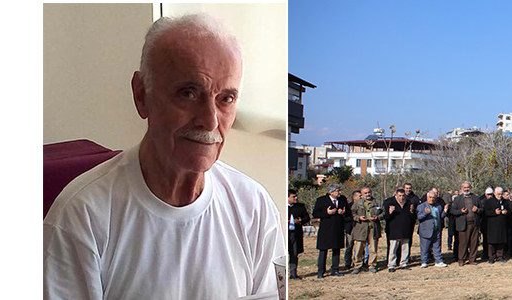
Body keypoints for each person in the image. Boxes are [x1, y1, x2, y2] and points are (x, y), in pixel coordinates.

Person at [43, 14, 284, 299]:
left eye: (226, 99)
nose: (209, 121)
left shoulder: (254, 207)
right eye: (189, 93)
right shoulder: (82, 215)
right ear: (141, 95)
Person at [314, 184, 348, 278]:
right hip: (326, 229)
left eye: (340, 190)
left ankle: (335, 270)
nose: (340, 192)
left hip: (338, 228)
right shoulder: (321, 200)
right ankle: (321, 271)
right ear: (331, 192)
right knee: (323, 251)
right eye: (338, 190)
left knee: (336, 250)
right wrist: (327, 213)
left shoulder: (342, 199)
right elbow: (315, 213)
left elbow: (348, 212)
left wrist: (343, 212)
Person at [350, 187, 382, 274]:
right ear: (362, 194)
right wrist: (358, 218)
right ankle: (357, 266)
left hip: (373, 228)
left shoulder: (377, 202)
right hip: (360, 228)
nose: (367, 194)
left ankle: (372, 265)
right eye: (365, 193)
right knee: (359, 248)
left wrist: (377, 217)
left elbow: (384, 213)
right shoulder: (358, 203)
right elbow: (352, 214)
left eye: (369, 192)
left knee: (373, 248)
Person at [448, 182, 481, 266]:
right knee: (463, 243)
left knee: (474, 242)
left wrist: (477, 210)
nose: (466, 189)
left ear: (471, 187)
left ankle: (472, 259)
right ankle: (461, 259)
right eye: (465, 187)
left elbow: (482, 209)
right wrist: (461, 212)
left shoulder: (476, 198)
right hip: (463, 224)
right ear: (462, 188)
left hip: (474, 223)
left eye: (468, 187)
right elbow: (452, 211)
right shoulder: (457, 199)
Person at [384, 189, 415, 272]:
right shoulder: (390, 203)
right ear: (396, 195)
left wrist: (412, 212)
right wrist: (390, 212)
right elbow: (386, 218)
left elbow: (412, 218)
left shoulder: (408, 203)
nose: (401, 198)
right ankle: (391, 265)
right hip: (394, 229)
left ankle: (404, 263)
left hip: (405, 229)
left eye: (403, 196)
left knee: (405, 247)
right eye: (399, 196)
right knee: (393, 248)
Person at [416, 190, 448, 268]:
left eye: (433, 197)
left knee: (437, 246)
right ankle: (424, 261)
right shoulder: (421, 206)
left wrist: (445, 211)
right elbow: (419, 218)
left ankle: (438, 261)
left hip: (436, 230)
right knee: (425, 248)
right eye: (430, 197)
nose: (432, 199)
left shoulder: (438, 206)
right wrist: (425, 213)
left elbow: (441, 217)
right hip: (426, 231)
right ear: (427, 197)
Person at [481, 187, 509, 264]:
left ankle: (500, 256)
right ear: (494, 194)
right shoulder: (489, 201)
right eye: (498, 194)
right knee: (492, 242)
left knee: (501, 241)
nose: (500, 196)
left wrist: (506, 212)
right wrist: (494, 212)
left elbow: (509, 211)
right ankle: (491, 257)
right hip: (492, 225)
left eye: (501, 194)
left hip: (502, 224)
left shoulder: (505, 202)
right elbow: (486, 212)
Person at [287, 189, 310, 279]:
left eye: (296, 196)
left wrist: (300, 220)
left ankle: (293, 273)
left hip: (295, 233)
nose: (296, 198)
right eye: (293, 196)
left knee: (294, 253)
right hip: (285, 234)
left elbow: (307, 217)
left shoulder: (300, 207)